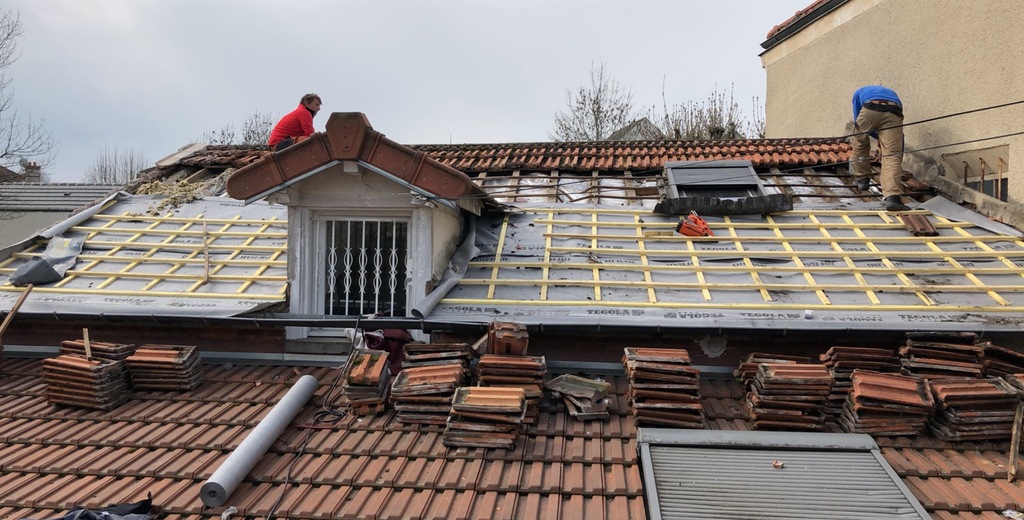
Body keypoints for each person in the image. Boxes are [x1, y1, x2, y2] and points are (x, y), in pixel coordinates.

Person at [850, 85, 908, 211]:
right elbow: (897, 130)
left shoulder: (858, 92)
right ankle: (892, 198)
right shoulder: (892, 93)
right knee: (892, 155)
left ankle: (862, 179)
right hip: (894, 110)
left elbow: (858, 121)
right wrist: (880, 138)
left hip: (870, 107)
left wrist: (872, 135)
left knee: (860, 142)